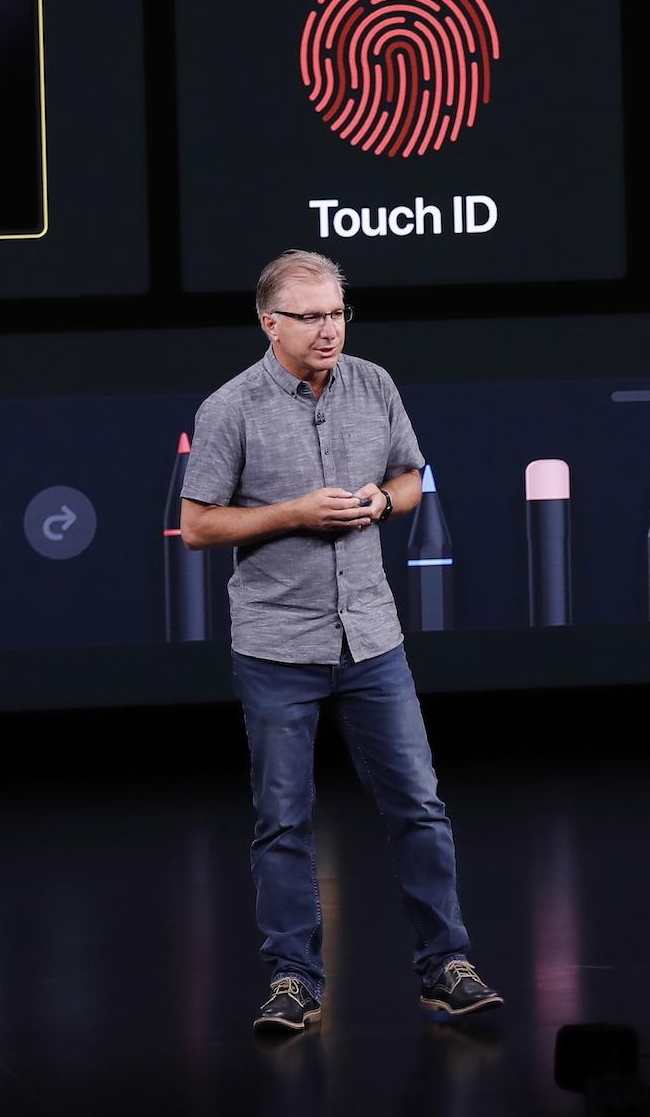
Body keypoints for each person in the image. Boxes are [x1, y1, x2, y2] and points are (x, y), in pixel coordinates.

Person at [179, 248, 502, 1033]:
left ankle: (446, 967)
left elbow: (407, 476)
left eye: (337, 313)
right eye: (311, 316)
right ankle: (293, 980)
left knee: (419, 806)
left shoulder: (374, 385)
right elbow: (197, 525)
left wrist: (379, 503)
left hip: (371, 636)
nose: (329, 331)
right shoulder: (232, 408)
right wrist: (295, 512)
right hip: (277, 644)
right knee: (284, 819)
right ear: (270, 323)